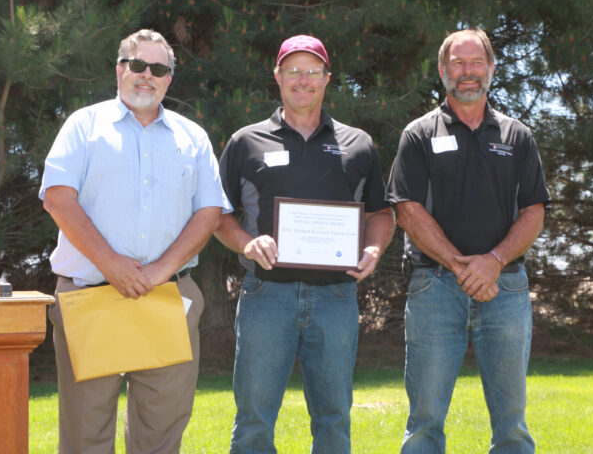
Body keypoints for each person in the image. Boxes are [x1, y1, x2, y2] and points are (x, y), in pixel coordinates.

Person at [39, 29, 230, 454]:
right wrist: (111, 264)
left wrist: (159, 272)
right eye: (138, 64)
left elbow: (209, 212)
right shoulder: (83, 126)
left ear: (169, 79)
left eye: (159, 68)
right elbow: (58, 199)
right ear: (120, 69)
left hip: (167, 297)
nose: (147, 75)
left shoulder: (193, 138)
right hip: (91, 297)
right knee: (86, 434)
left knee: (160, 435)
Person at [215, 34, 395, 454]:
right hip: (266, 296)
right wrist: (247, 243)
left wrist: (373, 249)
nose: (303, 80)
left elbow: (381, 213)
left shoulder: (359, 144)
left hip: (336, 297)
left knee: (334, 418)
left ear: (327, 79)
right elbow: (218, 216)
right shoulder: (246, 141)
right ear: (277, 77)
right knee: (254, 420)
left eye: (312, 71)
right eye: (293, 70)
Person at [386, 28, 551, 454]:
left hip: (506, 288)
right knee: (425, 422)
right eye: (457, 63)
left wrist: (494, 261)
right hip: (434, 287)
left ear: (492, 69)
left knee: (512, 425)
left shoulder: (517, 136)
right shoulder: (419, 135)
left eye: (477, 62)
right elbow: (407, 210)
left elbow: (535, 211)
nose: (468, 72)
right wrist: (464, 266)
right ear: (442, 71)